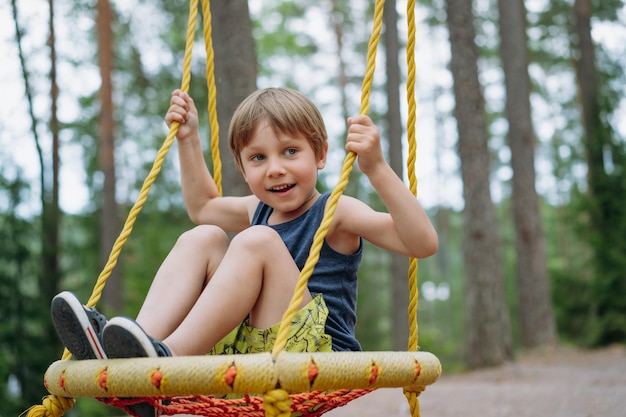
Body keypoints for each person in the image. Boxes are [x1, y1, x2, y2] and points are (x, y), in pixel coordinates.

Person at [51, 87, 437, 414]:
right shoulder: (259, 210)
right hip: (255, 349)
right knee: (203, 235)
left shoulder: (336, 211)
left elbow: (422, 244)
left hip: (316, 356)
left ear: (320, 155)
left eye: (290, 152)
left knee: (256, 240)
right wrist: (188, 139)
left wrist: (377, 169)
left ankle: (162, 365)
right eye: (258, 158)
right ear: (243, 166)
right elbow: (203, 206)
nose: (275, 168)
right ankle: (134, 356)